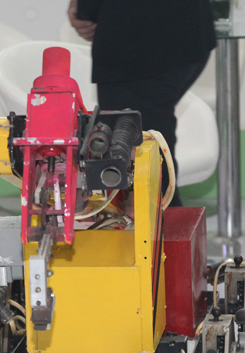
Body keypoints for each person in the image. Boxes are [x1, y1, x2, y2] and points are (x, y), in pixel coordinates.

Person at [67, 0, 216, 207]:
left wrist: (84, 9)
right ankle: (162, 219)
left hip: (139, 43)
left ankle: (160, 223)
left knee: (133, 152)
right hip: (187, 31)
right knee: (148, 143)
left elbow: (85, 14)